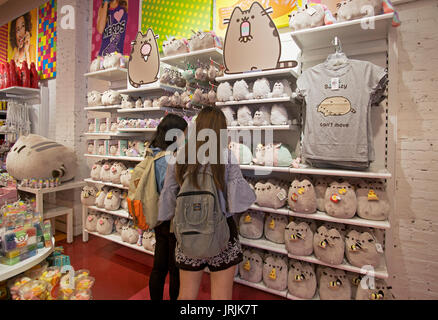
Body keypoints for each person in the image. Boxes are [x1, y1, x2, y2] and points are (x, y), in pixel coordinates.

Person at [159, 107, 256, 300]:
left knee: (185, 294)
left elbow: (168, 201)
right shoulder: (226, 157)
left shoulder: (178, 157)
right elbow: (237, 203)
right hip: (222, 234)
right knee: (221, 296)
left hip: (187, 231)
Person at [148, 113, 187, 301]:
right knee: (175, 269)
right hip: (170, 217)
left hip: (157, 215)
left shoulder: (152, 153)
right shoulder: (169, 158)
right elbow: (169, 190)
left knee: (159, 266)